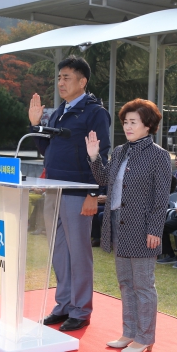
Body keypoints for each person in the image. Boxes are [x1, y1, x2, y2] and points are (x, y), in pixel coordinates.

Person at [30, 55, 111, 332]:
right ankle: (63, 305)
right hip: (53, 189)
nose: (61, 82)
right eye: (59, 77)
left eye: (66, 77)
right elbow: (46, 150)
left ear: (82, 81)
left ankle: (81, 309)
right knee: (60, 252)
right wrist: (35, 124)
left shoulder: (94, 112)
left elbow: (101, 154)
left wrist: (93, 192)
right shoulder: (59, 112)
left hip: (78, 192)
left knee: (79, 253)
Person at [86, 98, 171, 352]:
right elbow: (104, 179)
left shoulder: (159, 155)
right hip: (117, 224)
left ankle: (145, 338)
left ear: (148, 125)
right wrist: (93, 156)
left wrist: (155, 229)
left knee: (143, 284)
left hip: (143, 227)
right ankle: (129, 332)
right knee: (125, 282)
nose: (128, 126)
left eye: (133, 122)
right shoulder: (121, 151)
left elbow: (161, 197)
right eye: (125, 122)